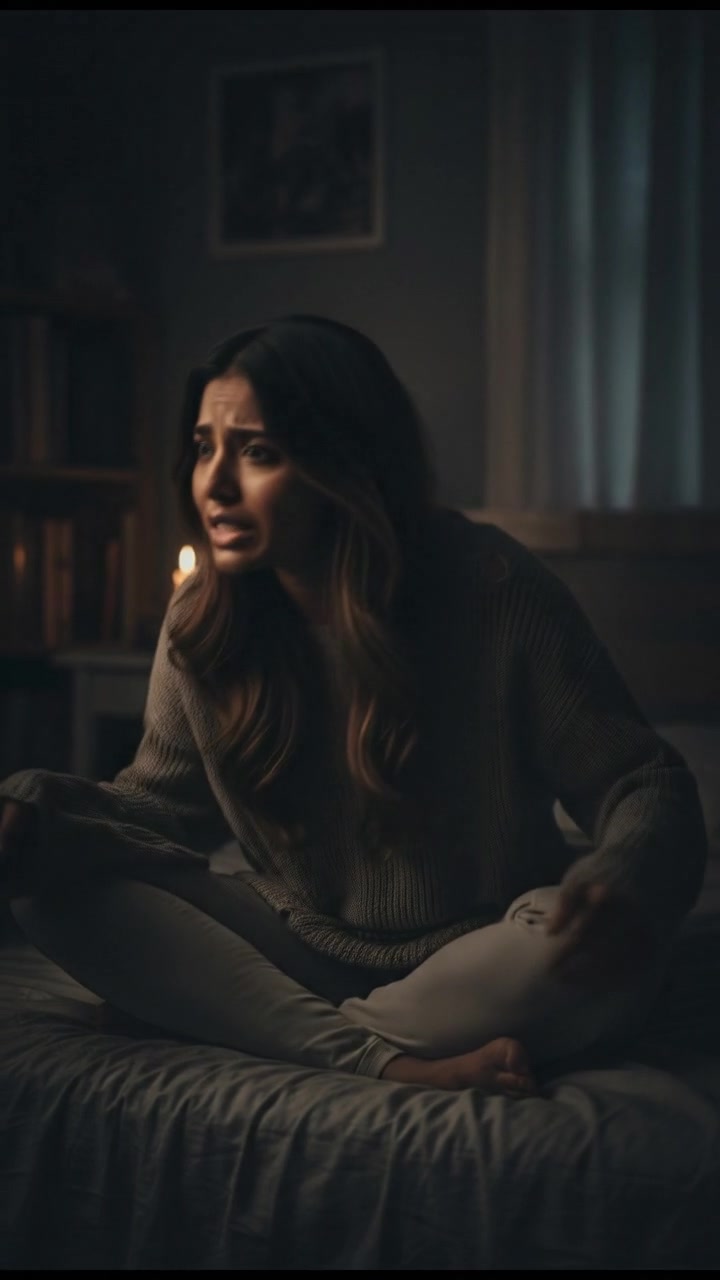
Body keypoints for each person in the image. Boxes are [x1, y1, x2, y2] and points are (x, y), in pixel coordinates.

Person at [0, 315, 707, 1096]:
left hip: (476, 954)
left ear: (346, 464)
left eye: (258, 452)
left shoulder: (495, 591)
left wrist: (619, 880)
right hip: (290, 942)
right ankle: (377, 1053)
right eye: (205, 448)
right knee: (45, 882)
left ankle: (255, 1023)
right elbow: (160, 813)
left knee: (579, 951)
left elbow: (643, 781)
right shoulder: (204, 619)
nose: (215, 485)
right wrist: (39, 811)